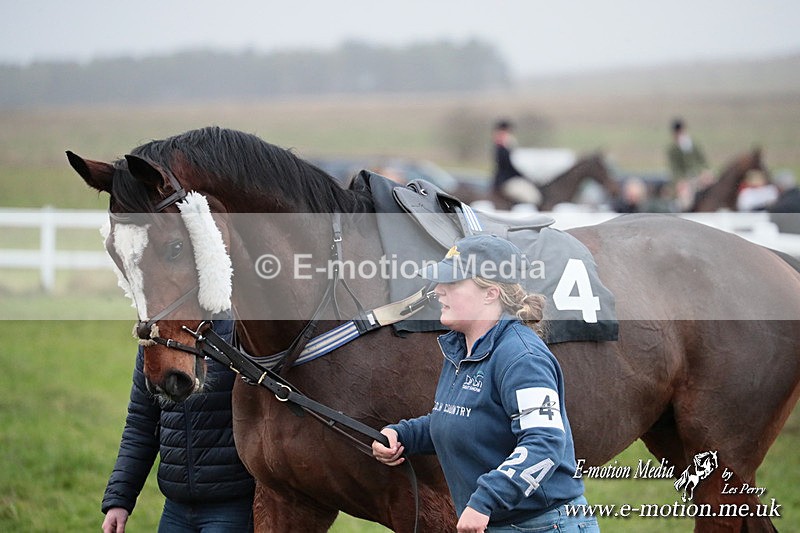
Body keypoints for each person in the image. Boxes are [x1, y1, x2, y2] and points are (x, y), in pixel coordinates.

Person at [372, 235, 599, 532]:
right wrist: (403, 435)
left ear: (491, 293)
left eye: (452, 282)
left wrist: (485, 501)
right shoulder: (461, 349)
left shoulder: (523, 357)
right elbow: (463, 418)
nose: (438, 290)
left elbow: (544, 443)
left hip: (544, 526)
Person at [101, 319, 255, 533]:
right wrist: (119, 500)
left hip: (233, 509)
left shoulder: (240, 330)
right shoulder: (156, 335)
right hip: (175, 510)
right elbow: (141, 424)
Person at [491, 119, 541, 207]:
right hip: (507, 180)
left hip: (510, 178)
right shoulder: (502, 147)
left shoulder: (505, 146)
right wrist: (524, 176)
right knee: (533, 198)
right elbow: (509, 166)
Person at [666, 118, 711, 210]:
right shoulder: (672, 149)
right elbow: (675, 169)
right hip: (685, 179)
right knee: (684, 198)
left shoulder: (694, 145)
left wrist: (704, 172)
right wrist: (680, 181)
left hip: (698, 176)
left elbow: (702, 161)